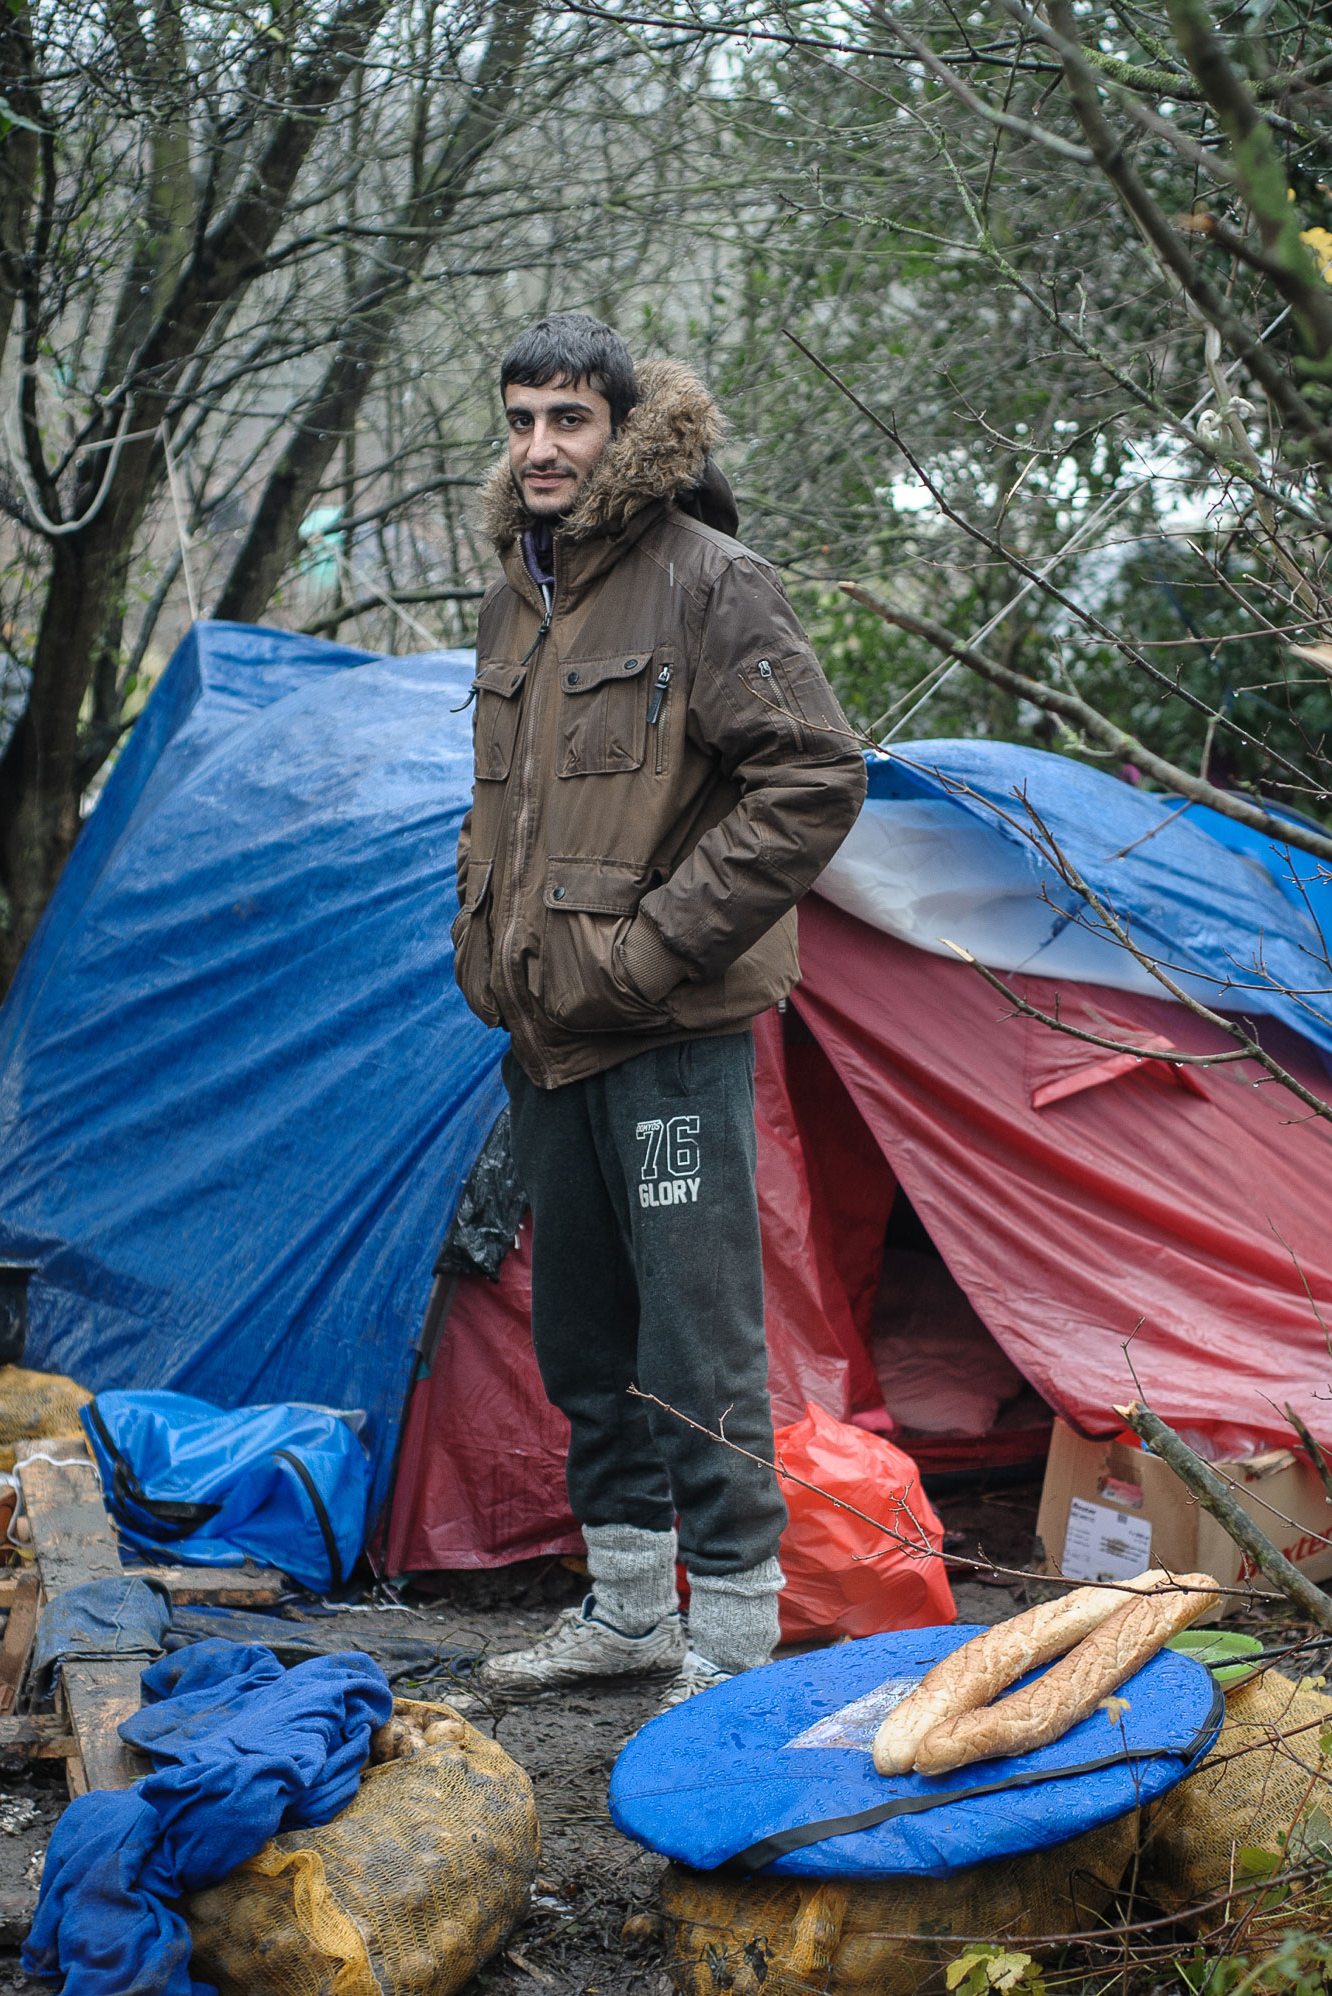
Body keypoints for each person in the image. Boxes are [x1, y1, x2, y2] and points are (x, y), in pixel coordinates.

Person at [453, 312, 866, 1708]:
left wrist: (653, 949)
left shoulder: (710, 580)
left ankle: (736, 1640)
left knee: (698, 1342)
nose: (540, 448)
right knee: (581, 1337)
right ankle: (628, 1611)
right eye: (520, 421)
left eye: (568, 419)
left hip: (667, 1035)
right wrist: (482, 939)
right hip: (546, 1034)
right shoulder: (526, 585)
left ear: (624, 429)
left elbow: (813, 780)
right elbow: (501, 804)